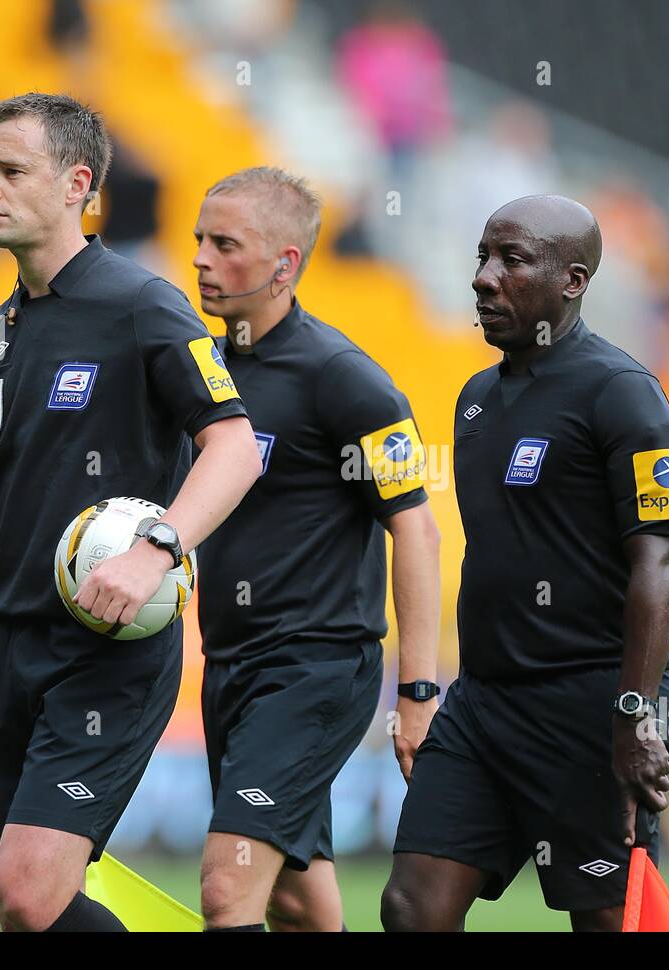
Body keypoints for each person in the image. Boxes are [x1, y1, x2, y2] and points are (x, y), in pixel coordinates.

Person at [0, 93, 261, 932]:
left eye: (10, 170)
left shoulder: (142, 304)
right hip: (3, 648)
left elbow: (237, 446)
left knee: (30, 894)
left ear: (77, 184)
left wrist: (158, 548)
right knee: (28, 909)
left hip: (104, 648)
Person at [383, 195, 669, 931]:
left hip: (591, 704)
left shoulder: (623, 394)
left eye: (511, 260)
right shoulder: (475, 400)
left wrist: (632, 712)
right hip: (485, 705)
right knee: (410, 907)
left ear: (573, 280)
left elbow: (659, 562)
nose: (485, 278)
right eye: (483, 257)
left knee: (603, 920)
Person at [191, 167, 441, 931]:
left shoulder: (346, 380)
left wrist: (419, 692)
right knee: (295, 897)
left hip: (313, 669)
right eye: (198, 239)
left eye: (224, 244)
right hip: (229, 665)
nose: (200, 257)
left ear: (284, 263)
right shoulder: (203, 367)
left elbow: (417, 527)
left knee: (227, 888)